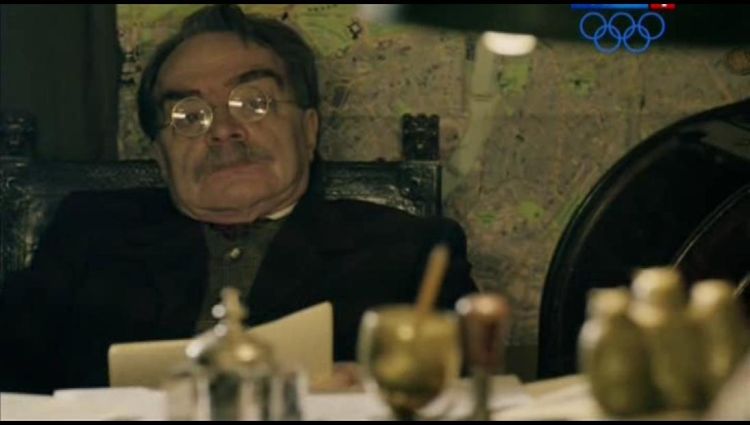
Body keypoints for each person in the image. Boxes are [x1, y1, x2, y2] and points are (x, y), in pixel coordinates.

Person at [0, 4, 476, 394]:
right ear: (160, 157)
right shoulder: (88, 234)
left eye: (253, 103)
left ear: (309, 130)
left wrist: (371, 393)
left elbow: (465, 391)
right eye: (189, 116)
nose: (224, 131)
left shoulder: (410, 252)